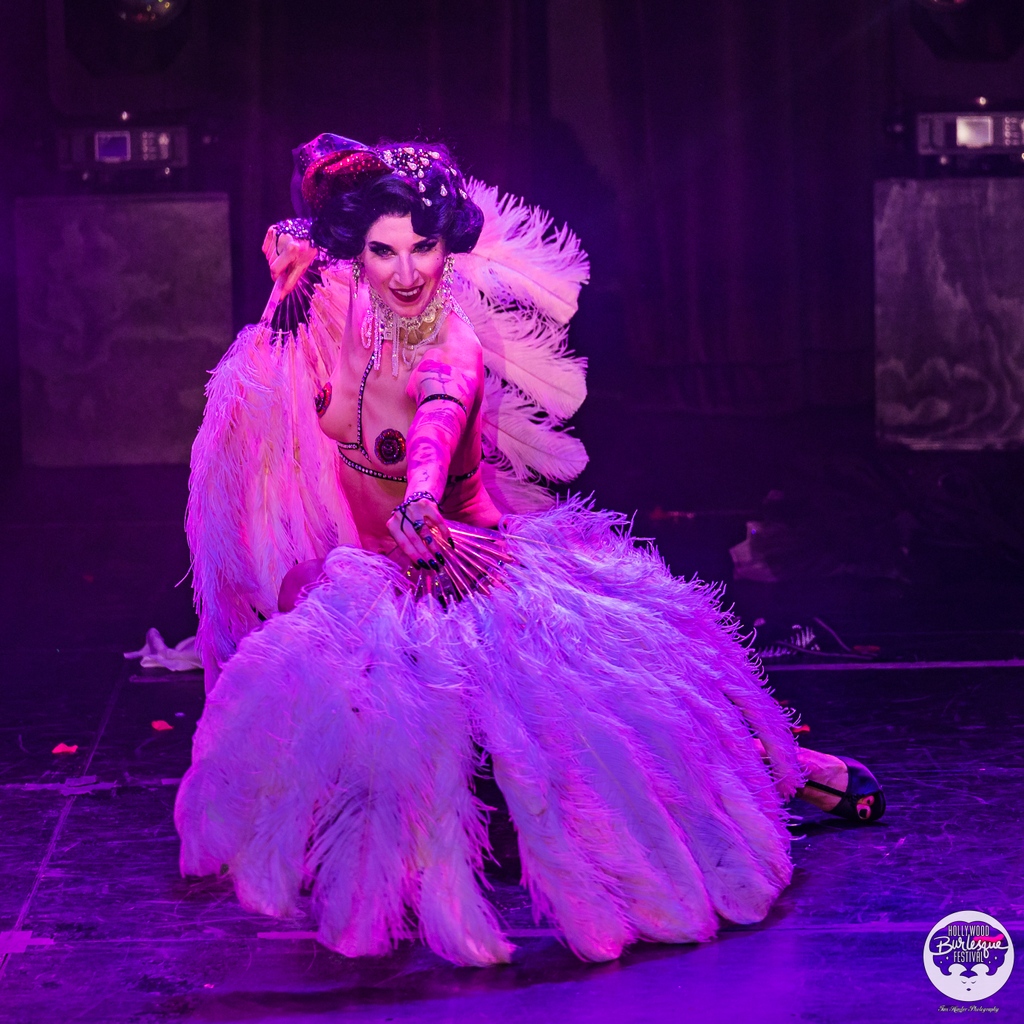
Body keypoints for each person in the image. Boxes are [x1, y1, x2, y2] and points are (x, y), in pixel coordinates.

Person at [174, 134, 884, 968]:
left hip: (469, 583)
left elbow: (435, 423)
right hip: (377, 590)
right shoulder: (352, 304)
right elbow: (297, 226)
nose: (405, 273)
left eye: (424, 249)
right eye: (382, 251)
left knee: (601, 758)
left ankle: (792, 772)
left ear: (449, 248)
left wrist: (422, 499)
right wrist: (288, 264)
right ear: (353, 253)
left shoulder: (451, 352)